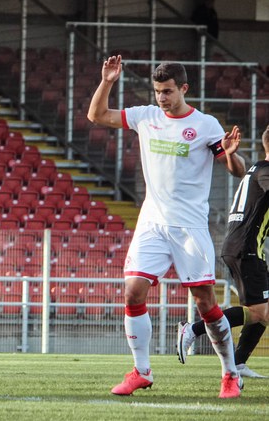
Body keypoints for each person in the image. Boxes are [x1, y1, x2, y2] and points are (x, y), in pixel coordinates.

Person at [87, 56, 245, 398]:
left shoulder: (205, 125)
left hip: (190, 228)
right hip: (152, 223)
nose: (162, 98)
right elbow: (97, 115)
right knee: (133, 291)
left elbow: (236, 170)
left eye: (168, 91)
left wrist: (232, 154)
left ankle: (230, 374)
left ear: (184, 89)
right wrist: (107, 81)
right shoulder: (146, 116)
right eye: (158, 91)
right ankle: (141, 371)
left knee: (205, 302)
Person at [176, 125, 269, 378]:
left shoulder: (257, 169)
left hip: (244, 247)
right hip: (246, 249)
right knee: (260, 312)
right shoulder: (265, 171)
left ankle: (238, 363)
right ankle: (192, 330)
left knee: (263, 309)